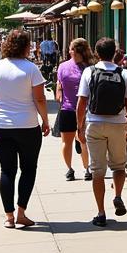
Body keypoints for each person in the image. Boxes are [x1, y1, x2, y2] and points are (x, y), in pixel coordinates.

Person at [0, 29, 51, 227]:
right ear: (25, 47)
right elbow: (39, 98)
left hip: (0, 124)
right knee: (28, 169)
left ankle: (9, 217)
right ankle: (21, 211)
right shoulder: (31, 69)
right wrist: (45, 120)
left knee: (7, 170)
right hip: (27, 125)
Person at [76, 36, 127, 227]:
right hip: (118, 124)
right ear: (115, 53)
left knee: (97, 171)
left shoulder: (89, 72)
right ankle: (118, 195)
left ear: (96, 53)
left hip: (94, 124)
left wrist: (79, 126)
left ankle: (100, 212)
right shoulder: (124, 74)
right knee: (119, 166)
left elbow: (82, 102)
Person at [56, 38, 93, 181]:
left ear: (78, 51)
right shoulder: (63, 66)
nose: (69, 51)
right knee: (67, 141)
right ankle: (69, 169)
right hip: (67, 108)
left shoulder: (89, 67)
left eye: (71, 49)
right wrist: (59, 96)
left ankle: (87, 168)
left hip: (85, 109)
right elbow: (59, 85)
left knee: (83, 140)